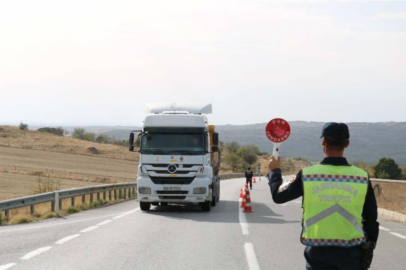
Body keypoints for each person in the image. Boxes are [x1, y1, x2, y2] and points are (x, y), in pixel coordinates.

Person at [267, 122, 379, 270]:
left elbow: (278, 195)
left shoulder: (308, 174)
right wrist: (369, 246)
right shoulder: (362, 177)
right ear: (347, 144)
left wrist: (275, 171)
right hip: (352, 253)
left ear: (323, 141)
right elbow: (371, 218)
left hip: (318, 253)